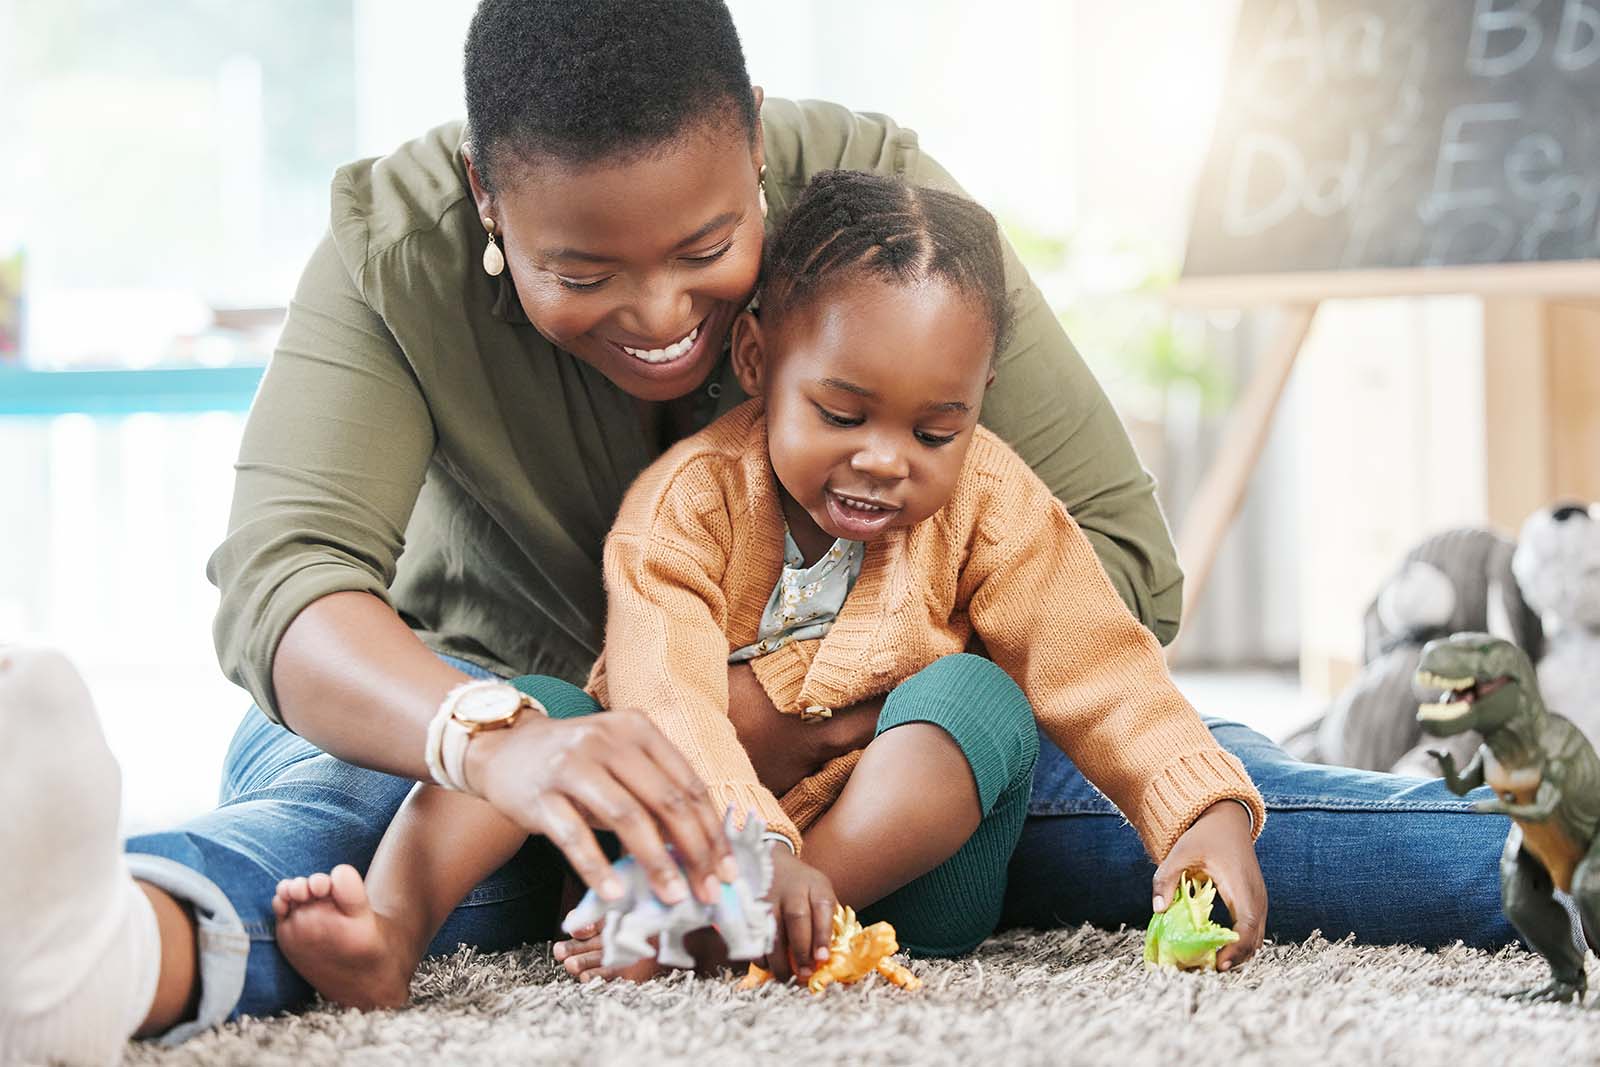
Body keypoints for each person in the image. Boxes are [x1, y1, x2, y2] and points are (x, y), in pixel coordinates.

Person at [0, 1, 1513, 1062]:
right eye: (580, 268)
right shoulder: (393, 248)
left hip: (873, 767)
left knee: (1226, 803)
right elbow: (288, 594)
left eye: (710, 250)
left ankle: (1543, 854)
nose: (660, 319)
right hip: (470, 749)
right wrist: (502, 740)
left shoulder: (875, 213)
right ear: (486, 201)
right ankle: (100, 946)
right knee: (344, 841)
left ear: (763, 176)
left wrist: (793, 718)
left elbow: (1105, 561)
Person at [266, 170, 1270, 1008]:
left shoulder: (994, 500)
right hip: (683, 852)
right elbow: (667, 696)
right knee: (554, 713)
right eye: (841, 413)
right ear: (757, 362)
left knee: (978, 697)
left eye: (934, 429)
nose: (885, 460)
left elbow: (1098, 660)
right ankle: (390, 928)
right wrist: (748, 851)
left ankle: (742, 924)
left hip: (910, 888)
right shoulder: (686, 507)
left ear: (978, 405)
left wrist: (1200, 814)